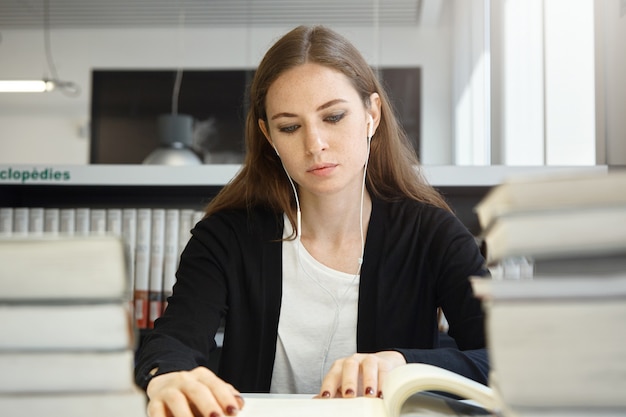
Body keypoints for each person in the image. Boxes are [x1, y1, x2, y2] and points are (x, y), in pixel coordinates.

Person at [135, 24, 489, 417]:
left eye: (333, 117)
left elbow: (504, 359)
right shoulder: (226, 236)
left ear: (372, 114)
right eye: (290, 126)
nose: (314, 144)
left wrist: (402, 363)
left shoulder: (433, 235)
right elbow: (173, 341)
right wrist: (165, 376)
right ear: (269, 136)